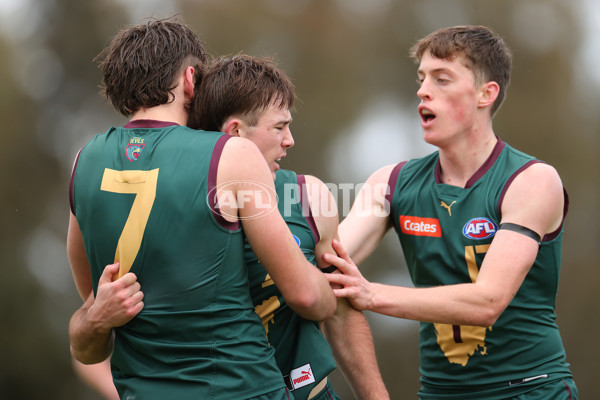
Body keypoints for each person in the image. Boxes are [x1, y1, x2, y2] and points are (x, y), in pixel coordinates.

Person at [74, 54, 389, 400]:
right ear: (235, 132)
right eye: (279, 127)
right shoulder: (176, 204)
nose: (290, 140)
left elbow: (342, 308)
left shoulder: (307, 195)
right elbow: (93, 325)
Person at [324, 25, 578, 399]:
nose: (423, 90)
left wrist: (372, 294)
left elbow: (488, 301)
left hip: (530, 390)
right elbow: (329, 265)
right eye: (422, 77)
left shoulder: (532, 180)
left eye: (442, 79)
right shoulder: (390, 182)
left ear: (485, 94)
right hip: (439, 392)